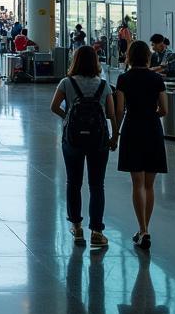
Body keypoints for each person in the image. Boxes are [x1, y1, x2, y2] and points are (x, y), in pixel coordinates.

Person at [50, 46, 119, 249]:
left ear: (75, 61)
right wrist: (115, 136)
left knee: (73, 182)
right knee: (97, 185)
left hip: (72, 139)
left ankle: (77, 227)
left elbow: (54, 106)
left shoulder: (66, 82)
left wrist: (67, 118)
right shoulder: (104, 85)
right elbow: (111, 114)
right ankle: (97, 231)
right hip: (99, 139)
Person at [115, 39, 168, 250]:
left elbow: (119, 110)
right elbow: (164, 109)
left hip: (132, 129)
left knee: (137, 183)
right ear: (148, 56)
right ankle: (146, 228)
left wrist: (115, 133)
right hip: (152, 129)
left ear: (129, 56)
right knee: (149, 184)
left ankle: (142, 229)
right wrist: (151, 114)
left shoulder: (124, 79)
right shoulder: (156, 79)